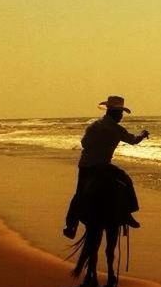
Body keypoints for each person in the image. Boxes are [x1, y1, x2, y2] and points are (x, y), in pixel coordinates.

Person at [64, 96, 149, 239]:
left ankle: (71, 226)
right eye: (120, 113)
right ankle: (128, 213)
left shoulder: (94, 125)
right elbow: (133, 140)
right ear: (114, 113)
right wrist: (142, 134)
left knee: (79, 194)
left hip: (85, 166)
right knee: (126, 180)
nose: (121, 116)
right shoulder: (116, 129)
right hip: (103, 166)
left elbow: (84, 143)